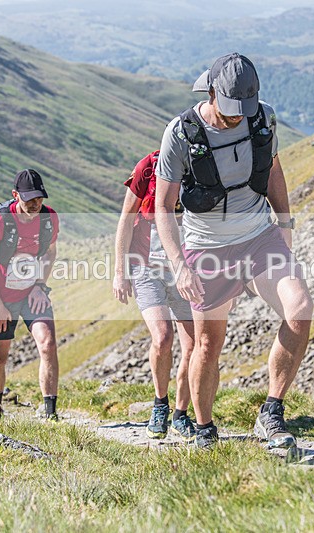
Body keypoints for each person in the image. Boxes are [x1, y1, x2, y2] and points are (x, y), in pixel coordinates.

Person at [153, 52, 314, 449]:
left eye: (244, 109)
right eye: (229, 110)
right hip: (206, 248)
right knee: (208, 344)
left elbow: (273, 170)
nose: (237, 117)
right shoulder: (180, 133)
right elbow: (162, 206)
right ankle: (205, 429)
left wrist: (285, 224)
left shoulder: (264, 117)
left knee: (300, 310)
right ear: (211, 92)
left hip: (259, 235)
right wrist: (180, 266)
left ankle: (271, 412)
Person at [112, 151, 197, 441]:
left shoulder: (201, 166)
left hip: (186, 270)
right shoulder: (147, 167)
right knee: (162, 337)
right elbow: (125, 220)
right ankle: (160, 404)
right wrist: (120, 271)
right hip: (146, 266)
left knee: (194, 346)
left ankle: (180, 414)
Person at [0, 169, 61, 420]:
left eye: (39, 199)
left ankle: (50, 413)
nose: (35, 205)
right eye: (29, 200)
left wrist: (39, 285)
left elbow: (50, 253)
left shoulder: (49, 218)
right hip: (1, 298)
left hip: (32, 293)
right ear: (15, 195)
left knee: (48, 344)